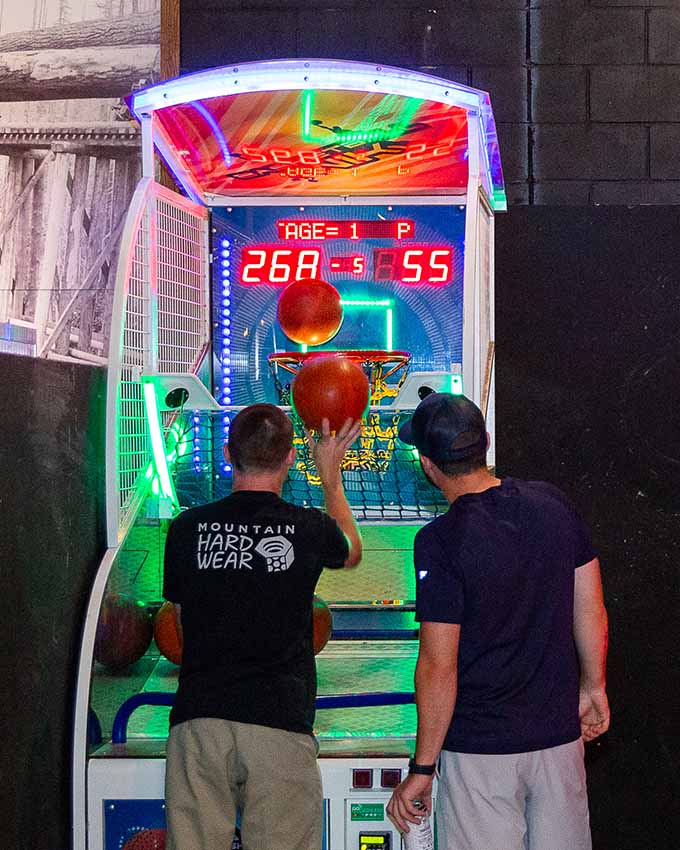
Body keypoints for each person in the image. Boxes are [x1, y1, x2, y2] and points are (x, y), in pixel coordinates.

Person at [387, 393, 609, 850]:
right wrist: (594, 687)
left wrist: (423, 768)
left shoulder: (438, 541)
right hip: (557, 743)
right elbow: (589, 607)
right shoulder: (554, 505)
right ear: (485, 443)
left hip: (479, 754)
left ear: (428, 465)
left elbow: (437, 666)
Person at [162, 404, 362, 850]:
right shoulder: (306, 527)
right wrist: (330, 477)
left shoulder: (186, 529)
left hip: (200, 721)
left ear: (229, 453)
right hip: (279, 723)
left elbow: (179, 623)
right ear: (291, 457)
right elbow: (350, 549)